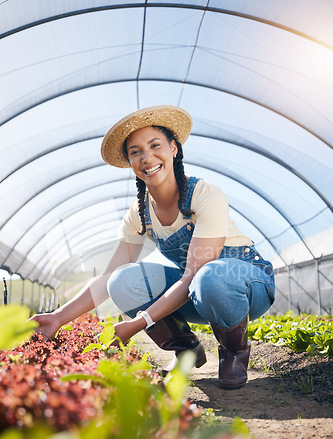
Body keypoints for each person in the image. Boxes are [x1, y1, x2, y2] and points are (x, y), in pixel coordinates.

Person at [31, 105, 275, 390]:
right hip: (196, 291)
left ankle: (234, 351)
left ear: (173, 149)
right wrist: (58, 317)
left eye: (155, 145)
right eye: (136, 151)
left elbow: (192, 276)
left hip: (244, 285)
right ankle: (187, 349)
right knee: (122, 281)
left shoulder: (204, 194)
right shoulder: (139, 213)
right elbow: (107, 278)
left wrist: (138, 323)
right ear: (130, 162)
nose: (147, 158)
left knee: (210, 277)